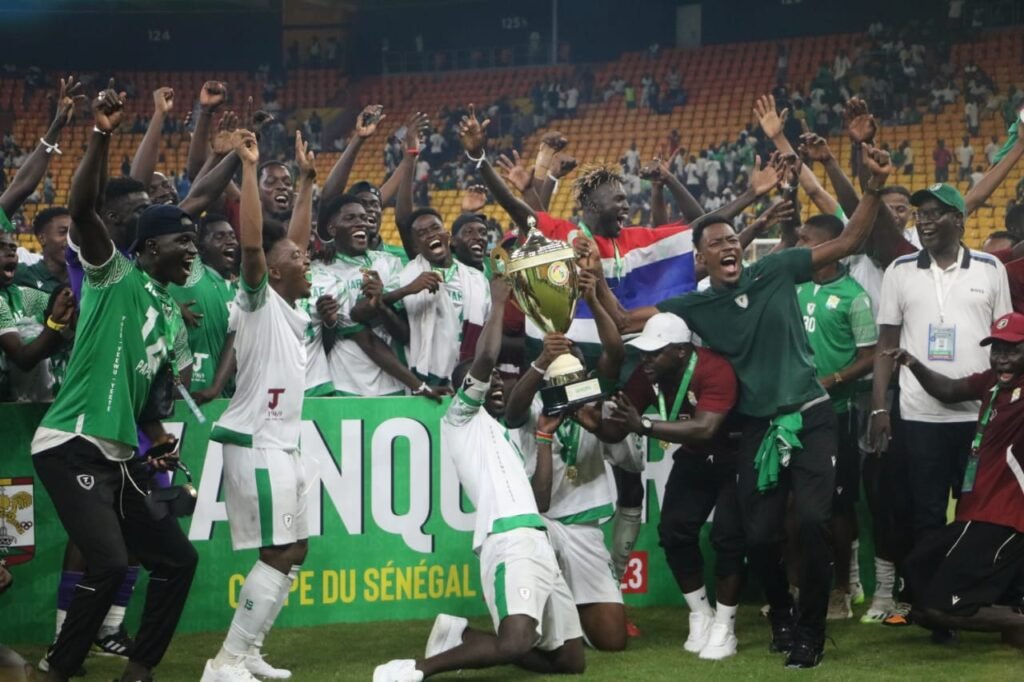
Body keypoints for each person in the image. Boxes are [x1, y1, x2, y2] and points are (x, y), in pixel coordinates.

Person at [638, 143, 892, 668]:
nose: (728, 246)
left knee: (814, 523)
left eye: (733, 238)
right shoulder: (696, 304)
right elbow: (622, 319)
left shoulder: (776, 270)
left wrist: (871, 186)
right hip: (758, 429)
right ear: (700, 259)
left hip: (813, 415)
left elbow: (849, 239)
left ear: (743, 246)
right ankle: (780, 614)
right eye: (717, 243)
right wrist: (588, 288)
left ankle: (811, 635)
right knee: (758, 535)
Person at [30, 82, 198, 682]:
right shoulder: (112, 276)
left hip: (121, 456)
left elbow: (143, 393)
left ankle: (140, 670)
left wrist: (157, 445)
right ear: (150, 246)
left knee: (177, 560)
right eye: (184, 241)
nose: (192, 251)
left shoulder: (170, 310)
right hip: (70, 440)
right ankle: (58, 669)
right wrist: (101, 134)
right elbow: (81, 210)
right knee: (109, 561)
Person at [373, 276, 585, 682]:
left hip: (536, 539)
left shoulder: (504, 436)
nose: (499, 386)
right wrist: (499, 301)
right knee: (515, 642)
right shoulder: (461, 420)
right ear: (466, 390)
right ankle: (415, 670)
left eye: (501, 383)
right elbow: (485, 360)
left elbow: (540, 499)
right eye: (489, 384)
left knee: (571, 662)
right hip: (507, 542)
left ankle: (461, 634)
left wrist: (543, 437)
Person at [870, 183, 1013, 627]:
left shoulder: (990, 268)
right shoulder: (899, 270)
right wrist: (879, 408)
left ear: (960, 219)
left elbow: (1006, 343)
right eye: (920, 215)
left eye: (935, 213)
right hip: (919, 414)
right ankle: (929, 604)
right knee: (926, 510)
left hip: (979, 416)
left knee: (976, 511)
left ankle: (977, 598)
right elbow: (885, 345)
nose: (925, 221)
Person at [201, 130, 316, 682]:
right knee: (279, 551)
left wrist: (309, 184)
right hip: (257, 444)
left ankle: (249, 652)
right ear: (272, 273)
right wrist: (248, 167)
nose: (306, 256)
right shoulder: (257, 300)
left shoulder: (290, 309)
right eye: (297, 257)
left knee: (296, 550)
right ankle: (227, 660)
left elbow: (286, 240)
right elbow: (256, 247)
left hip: (283, 445)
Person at [596, 313, 744, 659]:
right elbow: (619, 426)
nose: (646, 359)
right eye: (645, 353)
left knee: (728, 537)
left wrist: (644, 425)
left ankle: (726, 625)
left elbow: (705, 427)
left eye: (655, 353)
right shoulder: (649, 375)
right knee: (674, 529)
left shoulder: (714, 370)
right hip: (695, 457)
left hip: (735, 455)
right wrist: (595, 423)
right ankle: (701, 614)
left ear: (680, 351)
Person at [503, 265, 628, 653]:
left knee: (612, 642)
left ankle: (571, 612)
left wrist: (591, 298)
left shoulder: (593, 397)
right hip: (541, 525)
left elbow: (615, 352)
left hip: (585, 529)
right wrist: (542, 363)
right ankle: (545, 611)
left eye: (573, 353)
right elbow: (510, 412)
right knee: (535, 640)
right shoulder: (536, 403)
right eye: (559, 355)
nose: (567, 356)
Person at [890, 313, 1024, 645]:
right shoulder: (990, 384)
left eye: (1013, 349)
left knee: (939, 607)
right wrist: (913, 364)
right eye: (997, 349)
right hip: (974, 510)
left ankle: (1015, 623)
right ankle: (1011, 618)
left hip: (1004, 517)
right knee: (916, 576)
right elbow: (949, 390)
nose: (1002, 358)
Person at [794, 215, 878, 619]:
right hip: (791, 413)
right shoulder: (797, 286)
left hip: (837, 413)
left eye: (806, 239)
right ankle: (796, 586)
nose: (799, 243)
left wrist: (835, 378)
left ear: (827, 245)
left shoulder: (855, 296)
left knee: (839, 508)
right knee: (792, 504)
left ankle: (842, 590)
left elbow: (871, 356)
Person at [310, 194, 444, 399]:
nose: (361, 223)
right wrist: (402, 291)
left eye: (363, 218)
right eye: (350, 218)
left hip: (394, 381)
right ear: (332, 229)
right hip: (345, 382)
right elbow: (360, 326)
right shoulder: (321, 272)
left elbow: (402, 327)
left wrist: (382, 301)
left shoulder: (389, 263)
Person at [395, 208, 490, 388]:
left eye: (435, 228)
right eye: (422, 233)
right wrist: (408, 290)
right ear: (415, 246)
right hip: (428, 381)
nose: (431, 235)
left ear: (446, 235)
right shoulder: (405, 278)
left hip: (470, 373)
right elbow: (400, 333)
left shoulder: (477, 279)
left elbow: (487, 329)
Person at [168, 213, 238, 395]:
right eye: (219, 237)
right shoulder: (193, 272)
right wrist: (170, 303)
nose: (230, 241)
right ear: (201, 247)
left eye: (232, 236)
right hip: (189, 392)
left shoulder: (239, 289)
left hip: (227, 395)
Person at [13, 207, 70, 293]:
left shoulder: (85, 279)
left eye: (73, 233)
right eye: (62, 232)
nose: (71, 239)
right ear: (42, 238)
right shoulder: (21, 274)